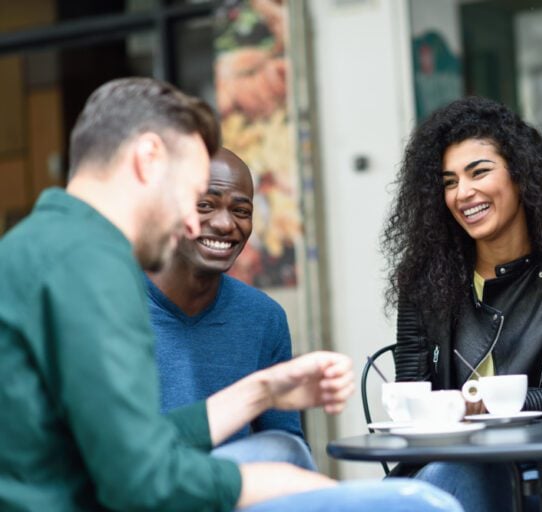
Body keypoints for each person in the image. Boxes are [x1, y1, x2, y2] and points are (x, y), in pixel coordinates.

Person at [0, 77, 463, 512]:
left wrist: (261, 391)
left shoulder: (39, 246)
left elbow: (130, 443)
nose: (189, 222)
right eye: (191, 194)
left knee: (285, 449)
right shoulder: (93, 264)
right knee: (420, 504)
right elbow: (140, 479)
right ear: (146, 159)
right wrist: (272, 484)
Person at [381, 95, 542, 512]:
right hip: (457, 471)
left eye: (479, 172)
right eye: (449, 181)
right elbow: (410, 400)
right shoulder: (423, 282)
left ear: (521, 176)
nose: (463, 193)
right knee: (439, 481)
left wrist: (486, 402)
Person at [147, 147, 312, 470]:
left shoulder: (264, 318)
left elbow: (285, 447)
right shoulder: (109, 307)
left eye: (241, 210)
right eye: (205, 205)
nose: (225, 224)